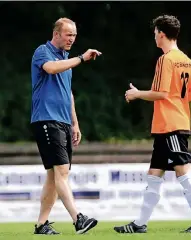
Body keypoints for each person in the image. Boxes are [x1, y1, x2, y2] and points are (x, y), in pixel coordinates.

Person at [114, 15, 191, 234]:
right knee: (154, 173)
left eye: (155, 33)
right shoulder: (185, 59)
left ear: (161, 33)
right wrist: (178, 101)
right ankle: (140, 223)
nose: (154, 37)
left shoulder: (165, 59)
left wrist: (137, 93)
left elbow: (161, 93)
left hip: (170, 124)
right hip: (171, 123)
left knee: (183, 171)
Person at [31, 17, 102, 235]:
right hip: (46, 119)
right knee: (62, 171)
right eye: (68, 35)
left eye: (74, 35)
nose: (72, 39)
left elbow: (68, 93)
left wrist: (75, 123)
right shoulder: (43, 51)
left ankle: (41, 224)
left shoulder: (67, 60)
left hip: (62, 122)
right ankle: (78, 219)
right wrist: (81, 58)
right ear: (57, 34)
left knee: (54, 177)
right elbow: (51, 69)